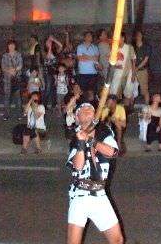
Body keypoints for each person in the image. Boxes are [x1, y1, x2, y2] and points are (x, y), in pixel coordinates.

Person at [66, 101, 123, 244]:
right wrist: (81, 144)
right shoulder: (75, 138)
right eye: (82, 108)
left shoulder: (104, 131)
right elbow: (77, 167)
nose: (87, 109)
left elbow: (112, 152)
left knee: (117, 240)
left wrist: (91, 141)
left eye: (90, 108)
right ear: (77, 118)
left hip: (100, 194)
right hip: (80, 195)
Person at [108, 32, 136, 106]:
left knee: (128, 93)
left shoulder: (129, 48)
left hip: (128, 74)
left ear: (123, 38)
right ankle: (113, 111)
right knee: (114, 93)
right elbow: (111, 62)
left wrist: (133, 74)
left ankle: (127, 111)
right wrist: (116, 66)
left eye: (119, 38)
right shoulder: (114, 49)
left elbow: (133, 61)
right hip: (118, 74)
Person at [1, 39, 23, 120]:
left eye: (13, 45)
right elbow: (3, 67)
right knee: (7, 96)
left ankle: (19, 114)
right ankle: (6, 114)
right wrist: (9, 70)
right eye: (10, 45)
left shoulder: (18, 54)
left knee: (18, 97)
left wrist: (14, 70)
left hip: (16, 78)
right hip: (7, 79)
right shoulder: (4, 56)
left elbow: (20, 65)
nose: (11, 47)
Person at [76, 31, 100, 96]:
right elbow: (80, 58)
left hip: (93, 73)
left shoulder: (95, 47)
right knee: (82, 92)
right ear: (85, 37)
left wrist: (85, 56)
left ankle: (91, 106)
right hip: (82, 73)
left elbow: (96, 59)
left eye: (91, 36)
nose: (90, 37)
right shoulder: (80, 47)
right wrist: (92, 57)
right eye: (88, 35)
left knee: (91, 92)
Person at [43, 35, 62, 109]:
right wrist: (49, 47)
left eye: (50, 41)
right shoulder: (44, 52)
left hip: (55, 72)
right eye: (48, 41)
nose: (49, 42)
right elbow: (48, 57)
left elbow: (61, 46)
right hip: (48, 72)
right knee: (47, 89)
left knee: (54, 89)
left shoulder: (55, 51)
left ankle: (54, 104)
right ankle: (44, 105)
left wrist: (54, 39)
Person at [133, 29, 152, 106]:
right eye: (137, 35)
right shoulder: (132, 47)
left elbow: (146, 59)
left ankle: (147, 106)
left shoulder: (146, 46)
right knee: (131, 90)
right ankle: (130, 107)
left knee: (144, 90)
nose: (139, 37)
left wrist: (137, 67)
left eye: (140, 35)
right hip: (133, 70)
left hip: (142, 70)